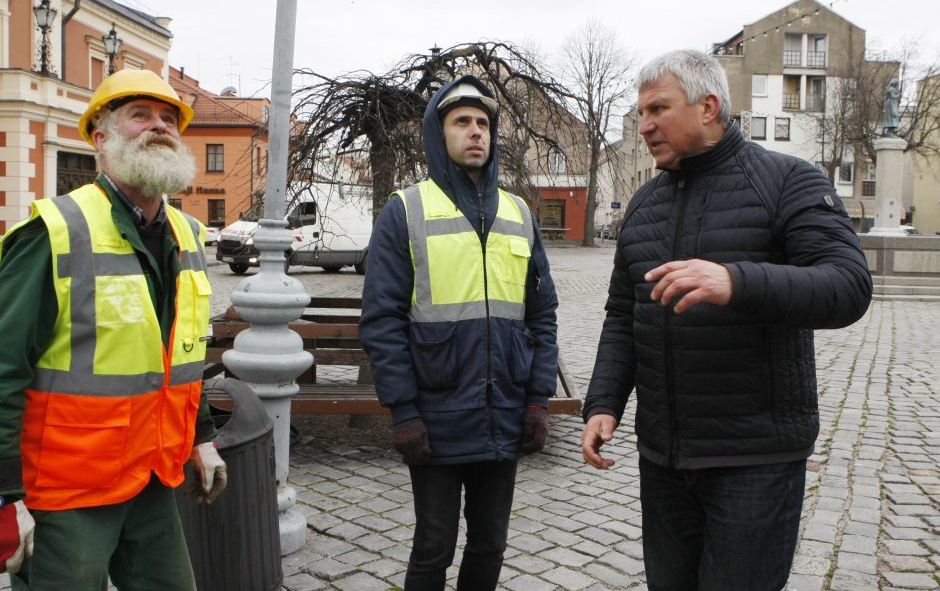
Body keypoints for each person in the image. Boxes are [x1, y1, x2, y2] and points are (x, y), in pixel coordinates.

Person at [580, 50, 873, 590]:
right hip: (664, 458)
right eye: (641, 113)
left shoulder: (788, 181)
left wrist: (736, 281)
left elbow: (848, 286)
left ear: (709, 106)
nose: (644, 126)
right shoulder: (643, 205)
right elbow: (624, 315)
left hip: (755, 460)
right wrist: (603, 403)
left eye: (658, 110)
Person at [0, 69, 228, 590]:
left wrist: (202, 439)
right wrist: (3, 495)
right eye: (139, 115)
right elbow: (3, 367)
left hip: (150, 476)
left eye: (169, 118)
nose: (159, 126)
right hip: (65, 490)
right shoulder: (54, 232)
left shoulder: (186, 234)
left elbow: (178, 357)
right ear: (100, 139)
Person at [359, 76, 559, 590]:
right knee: (433, 547)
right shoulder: (406, 210)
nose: (476, 132)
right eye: (461, 122)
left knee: (490, 544)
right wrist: (403, 412)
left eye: (484, 123)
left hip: (506, 410)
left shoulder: (519, 213)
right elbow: (382, 322)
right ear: (437, 133)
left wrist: (537, 401)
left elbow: (542, 316)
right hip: (435, 412)